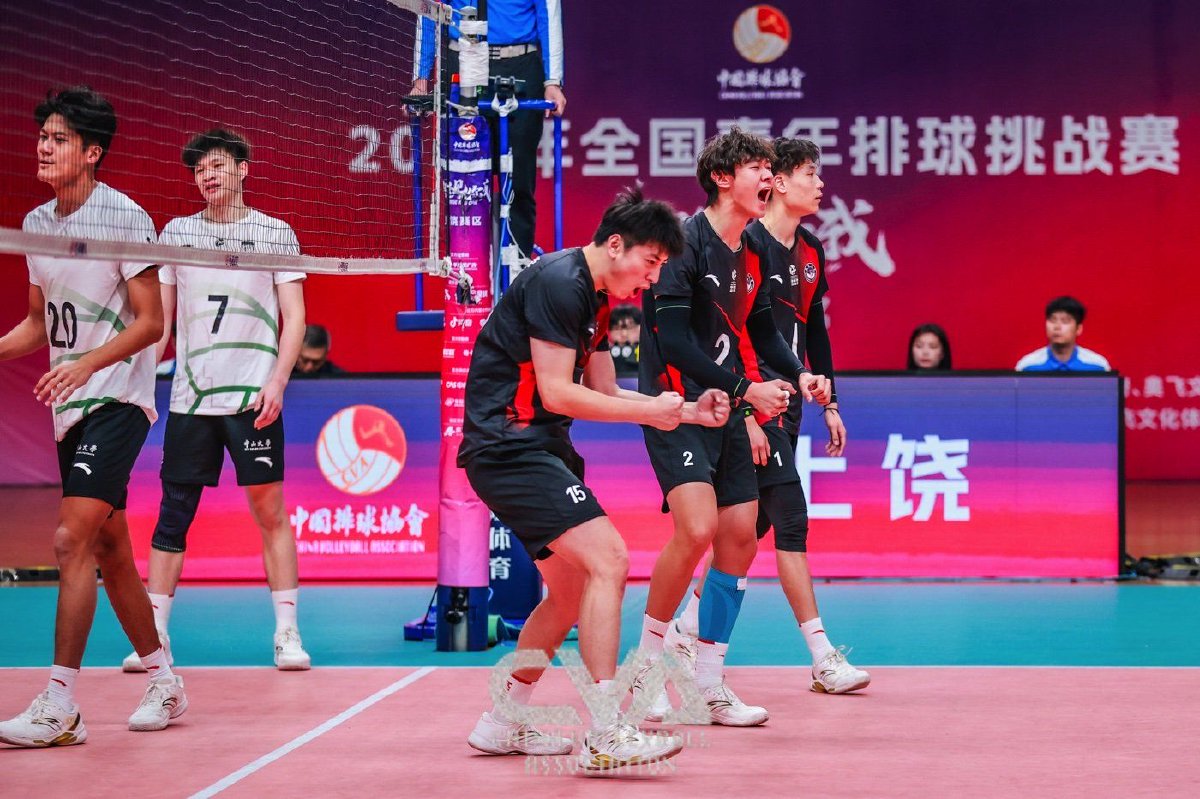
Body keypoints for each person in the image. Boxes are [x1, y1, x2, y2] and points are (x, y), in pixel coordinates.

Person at [460, 186, 727, 771]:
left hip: (540, 447)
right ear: (615, 244)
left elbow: (604, 390)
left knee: (570, 592)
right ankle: (606, 730)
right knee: (610, 560)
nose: (653, 278)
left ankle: (501, 721)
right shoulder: (560, 282)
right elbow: (558, 392)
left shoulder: (598, 299)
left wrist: (684, 411)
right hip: (508, 446)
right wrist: (653, 411)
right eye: (650, 262)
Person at [0, 86, 186, 747]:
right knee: (111, 550)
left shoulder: (124, 218)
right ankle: (164, 678)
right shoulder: (35, 222)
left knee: (69, 540)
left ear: (92, 152)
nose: (43, 148)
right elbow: (36, 323)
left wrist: (86, 365)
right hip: (70, 407)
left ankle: (60, 706)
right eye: (41, 137)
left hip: (117, 399)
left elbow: (152, 323)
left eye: (58, 139)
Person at [634, 128, 830, 726]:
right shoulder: (684, 243)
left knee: (741, 536)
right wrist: (747, 391)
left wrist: (799, 373)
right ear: (723, 178)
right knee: (696, 529)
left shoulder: (753, 251)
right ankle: (646, 672)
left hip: (728, 408)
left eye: (771, 168)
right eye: (757, 167)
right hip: (677, 407)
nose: (768, 176)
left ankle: (708, 682)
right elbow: (674, 341)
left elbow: (763, 331)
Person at [669, 137, 870, 696]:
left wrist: (829, 400)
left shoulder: (810, 250)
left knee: (748, 529)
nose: (821, 184)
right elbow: (730, 338)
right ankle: (822, 656)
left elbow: (815, 332)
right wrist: (746, 412)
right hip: (750, 401)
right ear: (778, 182)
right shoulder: (745, 240)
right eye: (810, 173)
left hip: (786, 397)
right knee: (789, 517)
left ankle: (687, 629)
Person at [120, 128, 310, 674]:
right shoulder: (177, 233)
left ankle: (287, 633)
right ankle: (154, 639)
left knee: (270, 512)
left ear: (243, 169)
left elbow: (295, 318)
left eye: (218, 165)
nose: (207, 175)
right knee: (173, 514)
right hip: (192, 400)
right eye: (199, 169)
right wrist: (134, 377)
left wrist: (277, 381)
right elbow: (160, 325)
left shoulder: (274, 232)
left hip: (253, 399)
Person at [413, 0, 566, 260]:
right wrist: (420, 78)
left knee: (519, 180)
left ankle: (517, 269)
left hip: (520, 65)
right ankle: (465, 267)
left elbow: (549, 11)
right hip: (463, 64)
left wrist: (552, 81)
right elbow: (428, 8)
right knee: (463, 183)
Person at [1016, 296, 1111, 372]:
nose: (1057, 327)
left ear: (1078, 329)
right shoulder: (1028, 366)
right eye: (1052, 320)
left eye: (1065, 321)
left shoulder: (1098, 366)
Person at [607, 303, 640, 376]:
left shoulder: (650, 352)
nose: (624, 334)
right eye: (616, 328)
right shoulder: (605, 354)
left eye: (630, 328)